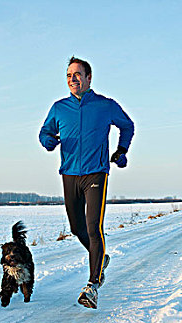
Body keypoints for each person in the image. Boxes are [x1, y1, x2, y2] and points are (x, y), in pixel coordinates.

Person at [39, 56, 135, 309]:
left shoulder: (105, 105)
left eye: (78, 74)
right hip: (69, 173)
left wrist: (121, 150)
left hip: (96, 173)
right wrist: (48, 140)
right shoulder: (59, 108)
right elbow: (45, 131)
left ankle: (92, 285)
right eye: (69, 75)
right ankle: (100, 257)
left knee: (94, 228)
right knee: (76, 227)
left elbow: (127, 125)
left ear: (89, 78)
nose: (73, 79)